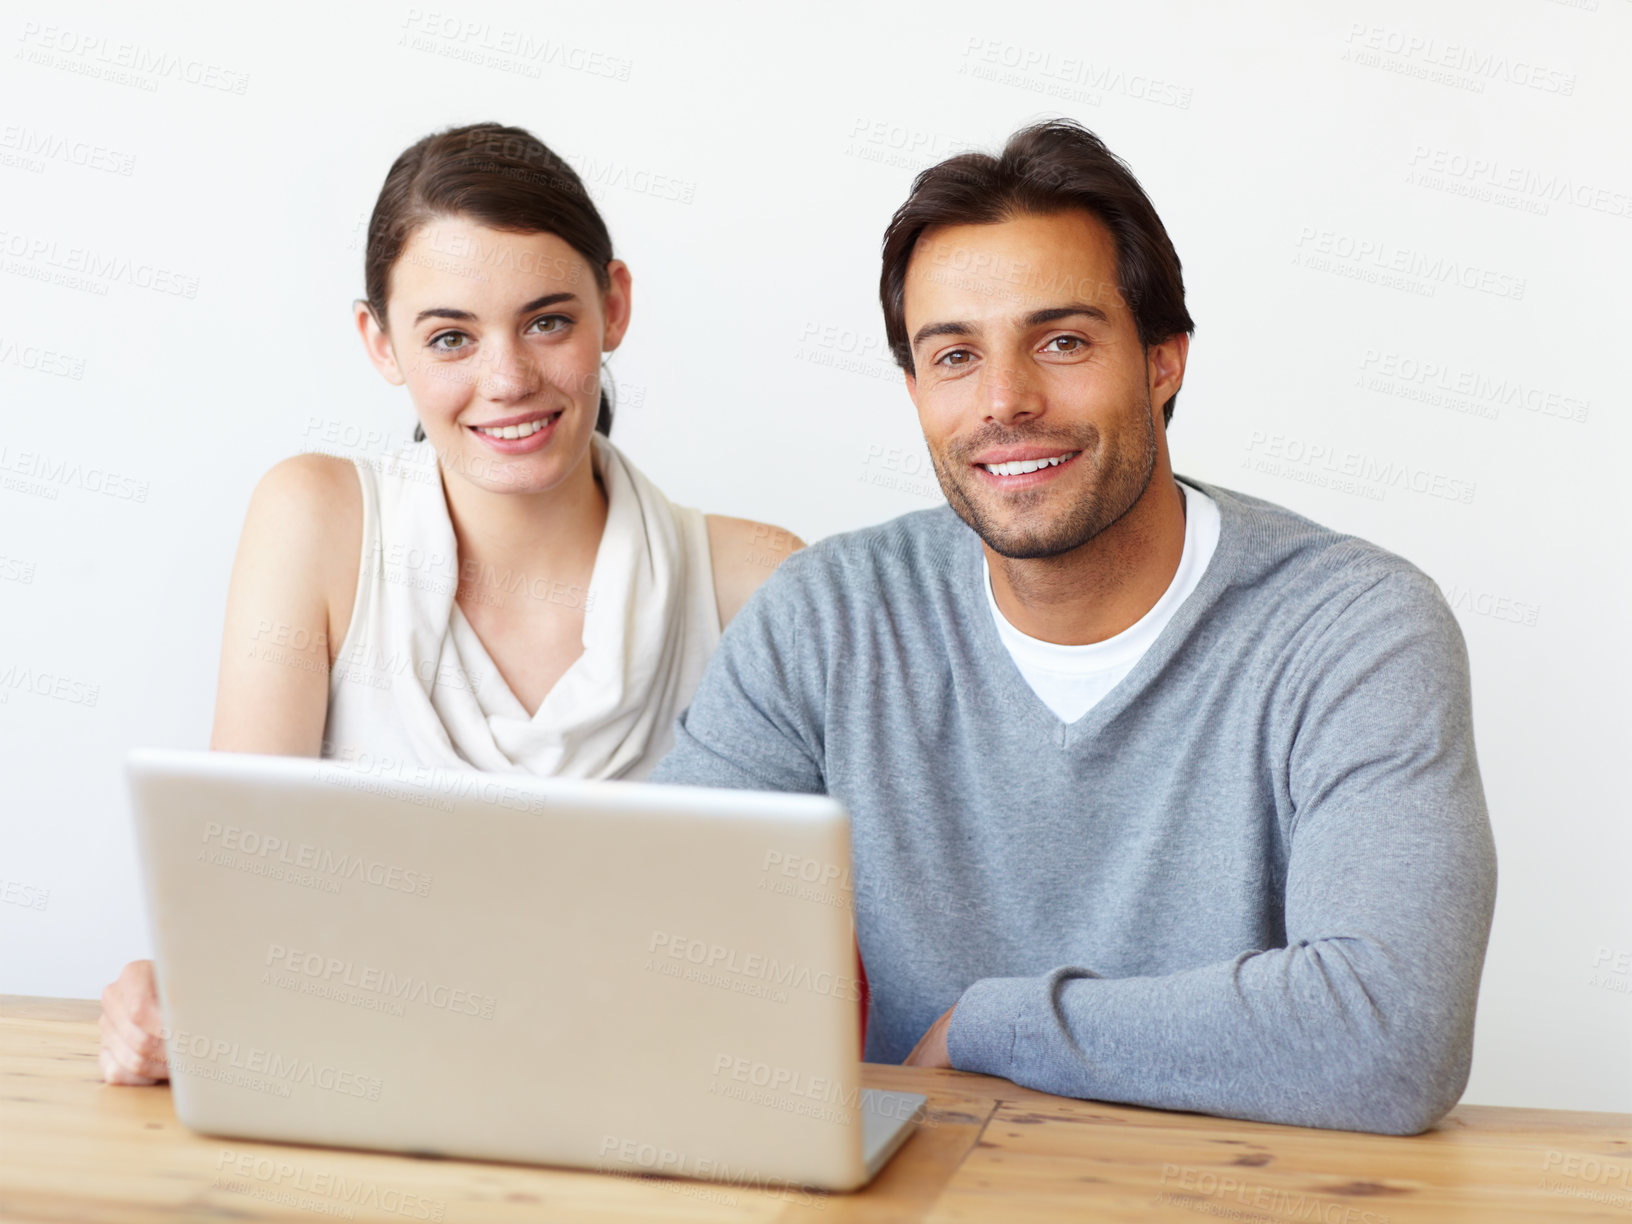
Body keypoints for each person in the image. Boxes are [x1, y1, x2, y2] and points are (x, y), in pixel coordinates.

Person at [651, 119, 1498, 1135]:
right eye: (955, 355)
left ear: (1162, 361)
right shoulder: (827, 618)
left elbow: (1390, 1039)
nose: (1006, 402)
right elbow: (656, 956)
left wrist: (990, 1026)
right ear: (916, 391)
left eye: (1061, 341)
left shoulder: (1353, 629)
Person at [99, 122, 804, 1085]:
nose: (507, 379)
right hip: (357, 1095)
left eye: (548, 321)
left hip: (646, 1105)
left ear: (615, 305)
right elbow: (236, 887)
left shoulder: (752, 580)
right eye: (450, 338)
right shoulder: (316, 521)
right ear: (379, 344)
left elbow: (777, 960)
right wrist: (166, 991)